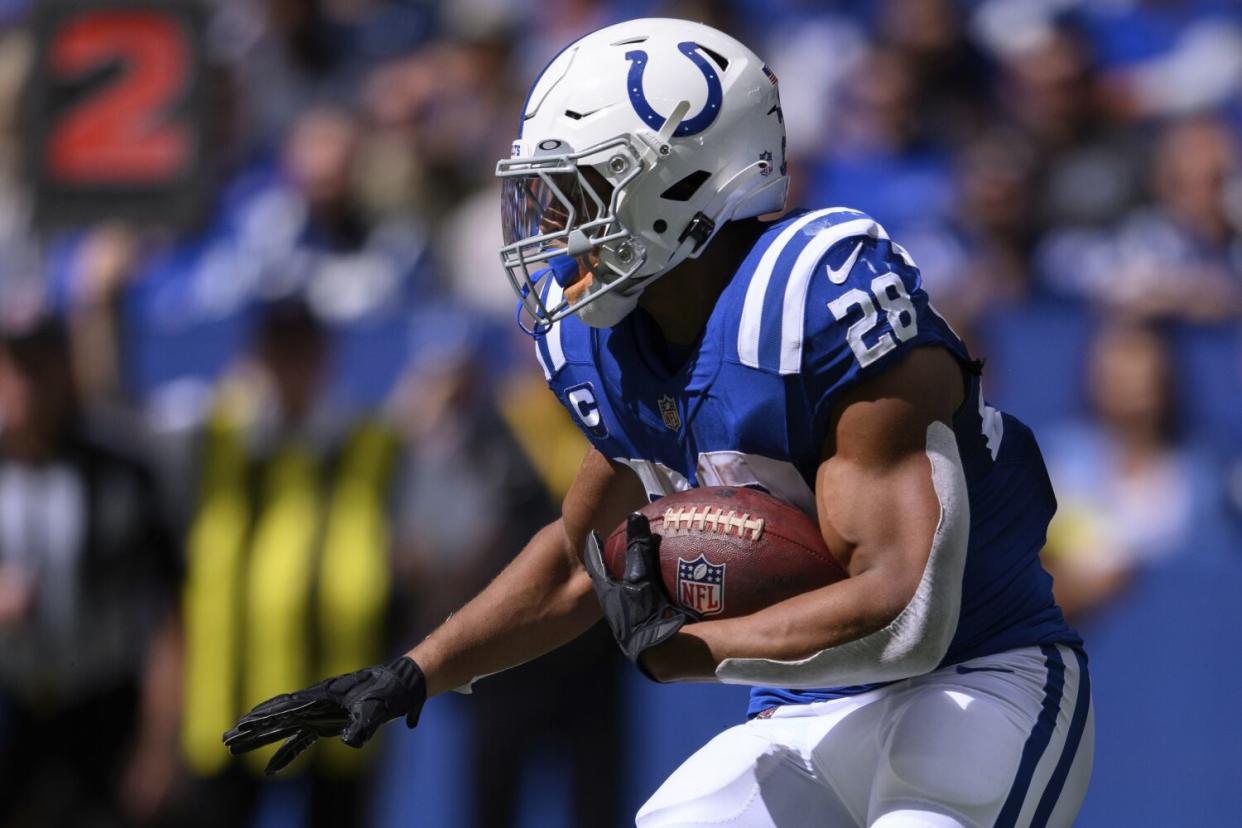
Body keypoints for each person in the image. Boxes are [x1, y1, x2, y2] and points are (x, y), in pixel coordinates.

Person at [225, 19, 1093, 827]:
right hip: (802, 709)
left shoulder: (813, 300)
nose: (558, 226)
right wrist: (417, 672)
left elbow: (908, 612)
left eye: (581, 189)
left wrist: (692, 651)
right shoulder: (605, 341)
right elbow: (580, 562)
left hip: (978, 680)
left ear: (683, 180)